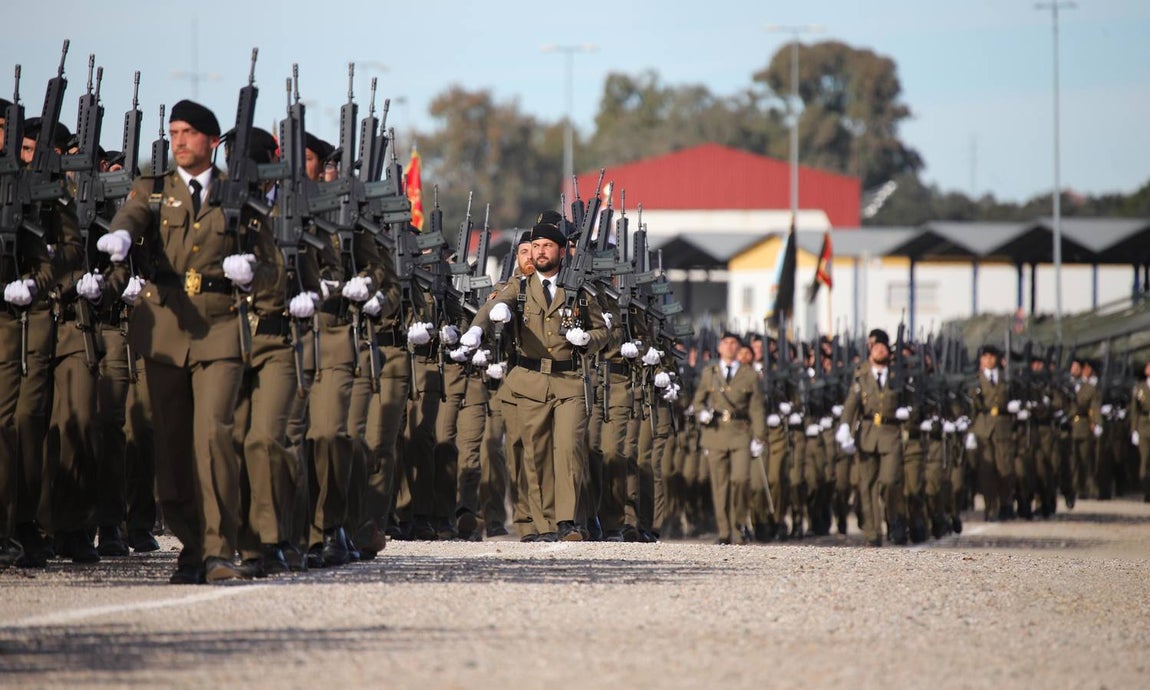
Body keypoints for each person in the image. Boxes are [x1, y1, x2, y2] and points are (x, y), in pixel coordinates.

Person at [99, 99, 260, 583]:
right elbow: (130, 217)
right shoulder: (152, 191)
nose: (180, 141)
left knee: (212, 436)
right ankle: (191, 546)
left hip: (220, 326)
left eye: (189, 132)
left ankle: (218, 550)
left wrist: (251, 269)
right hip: (167, 326)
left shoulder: (237, 193)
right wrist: (120, 239)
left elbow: (269, 254)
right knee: (171, 446)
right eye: (174, 133)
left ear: (212, 140)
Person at [460, 217, 609, 540]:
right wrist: (477, 327)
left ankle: (568, 521)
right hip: (530, 380)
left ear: (560, 252)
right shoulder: (521, 286)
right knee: (537, 453)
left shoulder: (579, 290)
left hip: (569, 379)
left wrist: (590, 340)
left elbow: (603, 330)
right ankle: (543, 525)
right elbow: (497, 302)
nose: (540, 252)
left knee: (568, 448)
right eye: (536, 246)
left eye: (548, 246)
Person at [690, 331, 767, 545]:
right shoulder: (710, 373)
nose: (731, 347)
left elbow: (757, 408)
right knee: (720, 484)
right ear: (720, 347)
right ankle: (725, 531)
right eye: (726, 343)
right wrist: (701, 413)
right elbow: (697, 401)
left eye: (735, 343)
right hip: (715, 433)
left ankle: (738, 525)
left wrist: (759, 437)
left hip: (741, 431)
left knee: (741, 480)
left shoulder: (750, 375)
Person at [837, 328, 906, 546]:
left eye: (883, 348)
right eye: (876, 348)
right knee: (866, 485)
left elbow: (915, 399)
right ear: (870, 351)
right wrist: (844, 426)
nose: (879, 351)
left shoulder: (899, 375)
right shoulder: (862, 375)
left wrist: (909, 414)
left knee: (888, 481)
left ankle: (893, 517)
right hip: (867, 434)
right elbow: (851, 403)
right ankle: (872, 532)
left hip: (891, 434)